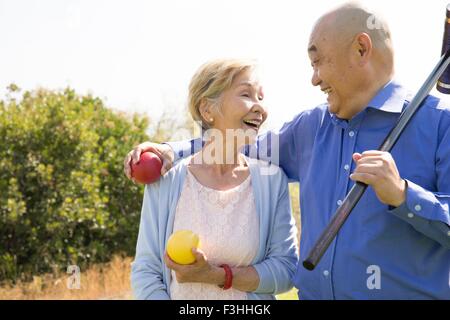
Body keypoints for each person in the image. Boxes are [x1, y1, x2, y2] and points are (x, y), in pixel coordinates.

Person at [126, 3, 450, 299]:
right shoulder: (310, 128)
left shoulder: (440, 124)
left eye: (317, 61)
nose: (313, 78)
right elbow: (234, 141)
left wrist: (403, 195)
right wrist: (172, 150)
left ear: (361, 49)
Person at [130, 58, 299, 300]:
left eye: (261, 98)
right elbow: (146, 271)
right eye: (246, 94)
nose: (260, 108)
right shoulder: (166, 181)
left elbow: (286, 270)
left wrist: (217, 275)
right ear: (207, 110)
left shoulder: (272, 182)